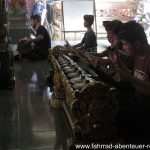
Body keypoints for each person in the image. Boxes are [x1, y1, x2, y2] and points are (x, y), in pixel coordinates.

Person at [111, 21, 150, 143]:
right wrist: (118, 64)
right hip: (137, 103)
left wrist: (128, 78)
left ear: (137, 44)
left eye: (125, 44)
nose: (123, 47)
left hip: (146, 112)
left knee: (110, 117)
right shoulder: (138, 56)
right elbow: (134, 77)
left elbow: (134, 80)